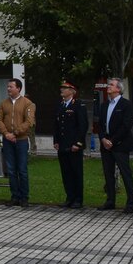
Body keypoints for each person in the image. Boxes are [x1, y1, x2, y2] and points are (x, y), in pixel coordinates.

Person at [96, 77, 133, 213]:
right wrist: (103, 139)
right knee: (108, 174)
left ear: (118, 89)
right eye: (109, 84)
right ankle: (110, 201)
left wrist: (112, 141)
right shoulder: (104, 105)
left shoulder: (126, 104)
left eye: (111, 85)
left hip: (120, 144)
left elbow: (126, 125)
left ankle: (130, 203)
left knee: (125, 173)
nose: (109, 86)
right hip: (105, 144)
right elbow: (100, 124)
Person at [0, 78, 35, 207]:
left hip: (21, 140)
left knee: (22, 169)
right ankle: (15, 196)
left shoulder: (28, 103)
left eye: (11, 87)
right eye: (8, 86)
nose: (8, 89)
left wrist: (15, 133)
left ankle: (24, 197)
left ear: (18, 88)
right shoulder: (3, 103)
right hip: (7, 141)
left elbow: (29, 122)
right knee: (11, 170)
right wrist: (6, 133)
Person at [53, 81, 87, 209]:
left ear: (72, 91)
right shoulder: (60, 105)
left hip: (73, 145)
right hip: (62, 145)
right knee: (66, 173)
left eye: (65, 88)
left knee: (76, 172)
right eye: (61, 88)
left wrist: (78, 143)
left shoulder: (78, 105)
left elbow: (82, 126)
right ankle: (69, 197)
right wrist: (56, 141)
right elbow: (56, 125)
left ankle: (78, 199)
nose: (62, 90)